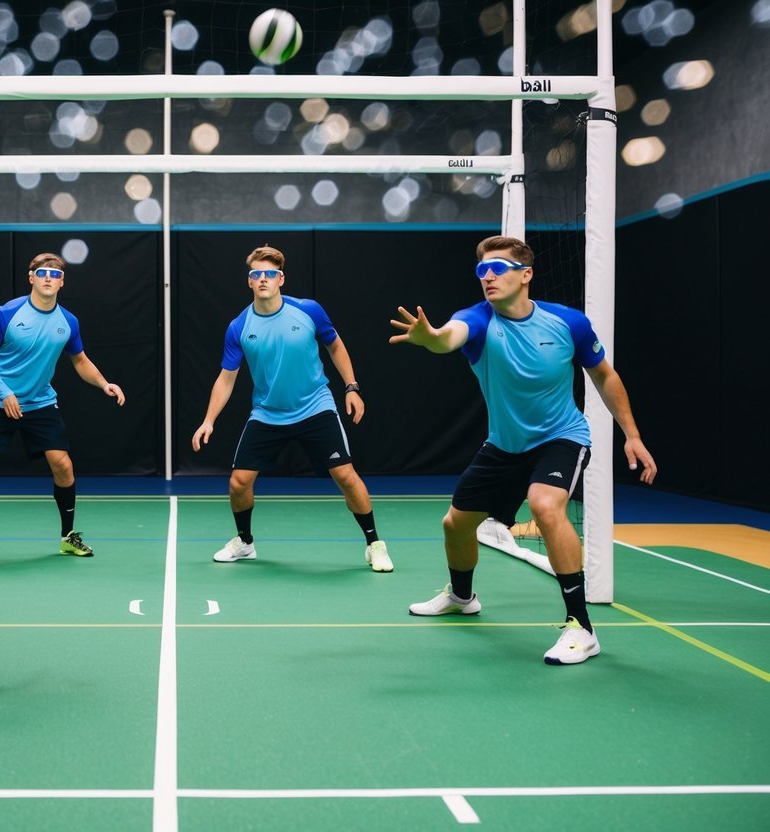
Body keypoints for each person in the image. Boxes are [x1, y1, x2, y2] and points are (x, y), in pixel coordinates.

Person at [389, 235, 657, 665]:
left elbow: (605, 376)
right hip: (504, 445)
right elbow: (447, 338)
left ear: (526, 274)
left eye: (498, 268)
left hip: (561, 436)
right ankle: (462, 596)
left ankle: (581, 628)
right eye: (481, 270)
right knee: (455, 525)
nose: (488, 277)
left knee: (545, 506)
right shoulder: (476, 321)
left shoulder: (568, 323)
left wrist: (633, 434)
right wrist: (430, 337)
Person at [191, 245, 394, 572]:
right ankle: (245, 543)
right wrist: (208, 421)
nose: (262, 279)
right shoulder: (239, 327)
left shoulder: (308, 310)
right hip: (268, 413)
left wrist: (351, 386)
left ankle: (374, 544)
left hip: (316, 406)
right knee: (239, 482)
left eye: (269, 274)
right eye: (255, 274)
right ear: (249, 282)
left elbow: (335, 346)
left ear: (281, 278)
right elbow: (226, 379)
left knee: (344, 474)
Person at [0, 252, 124, 560]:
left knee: (63, 464)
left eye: (55, 274)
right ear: (31, 277)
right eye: (42, 272)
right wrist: (4, 392)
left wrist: (104, 383)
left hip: (40, 402)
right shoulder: (7, 313)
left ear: (62, 282)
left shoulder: (68, 321)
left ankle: (68, 536)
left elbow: (80, 361)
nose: (48, 277)